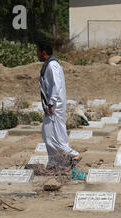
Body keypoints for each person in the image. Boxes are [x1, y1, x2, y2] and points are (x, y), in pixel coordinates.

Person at [37, 41, 81, 173]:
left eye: (38, 52)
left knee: (55, 136)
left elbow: (57, 85)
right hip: (50, 106)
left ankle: (74, 155)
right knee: (48, 135)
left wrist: (51, 102)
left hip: (54, 106)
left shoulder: (53, 65)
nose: (37, 54)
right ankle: (53, 164)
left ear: (43, 52)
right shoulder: (49, 64)